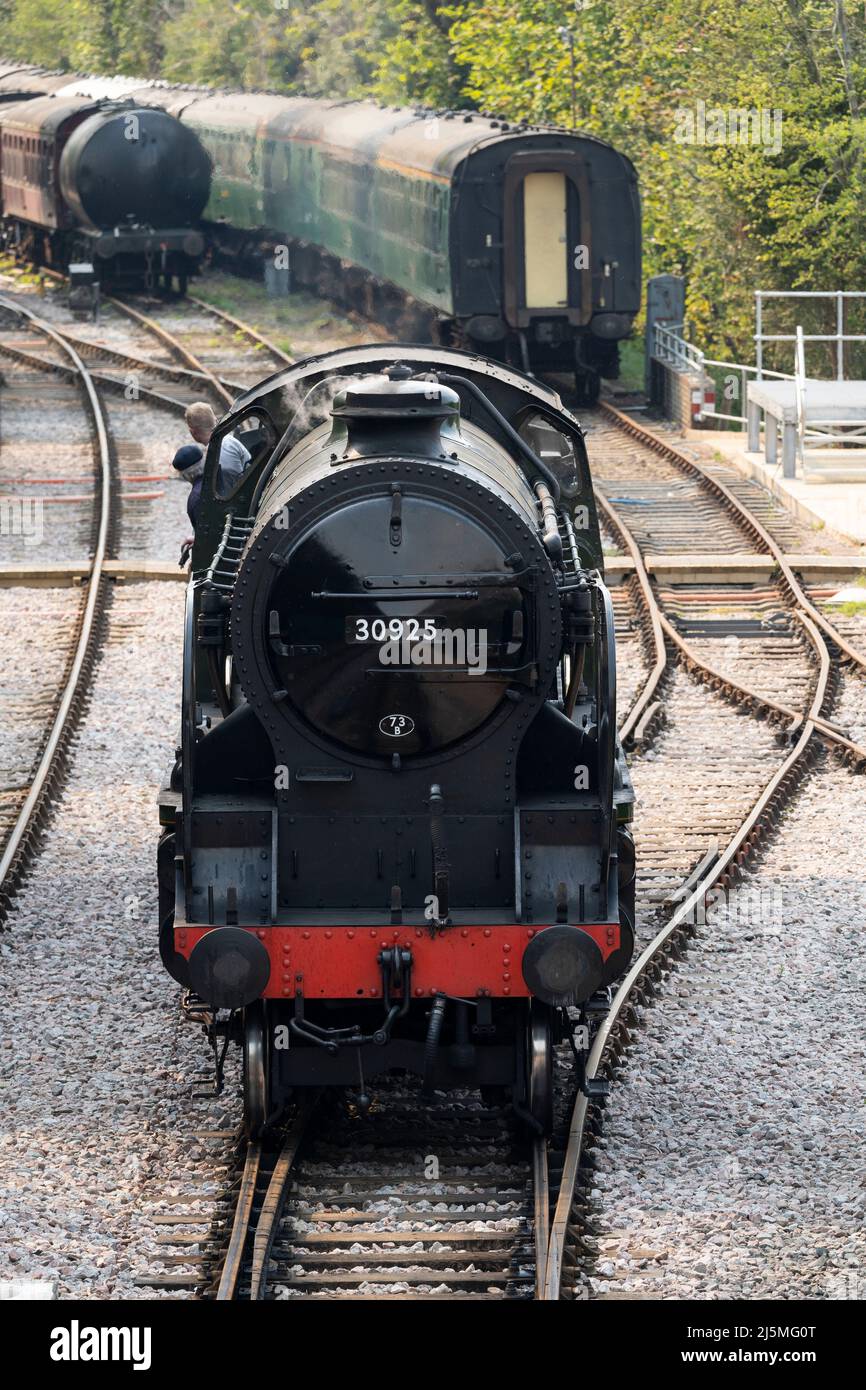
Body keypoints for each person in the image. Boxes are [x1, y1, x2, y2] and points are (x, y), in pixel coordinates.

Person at [184, 401, 251, 494]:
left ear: (193, 432)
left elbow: (232, 491)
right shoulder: (223, 442)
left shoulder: (221, 450)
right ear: (215, 420)